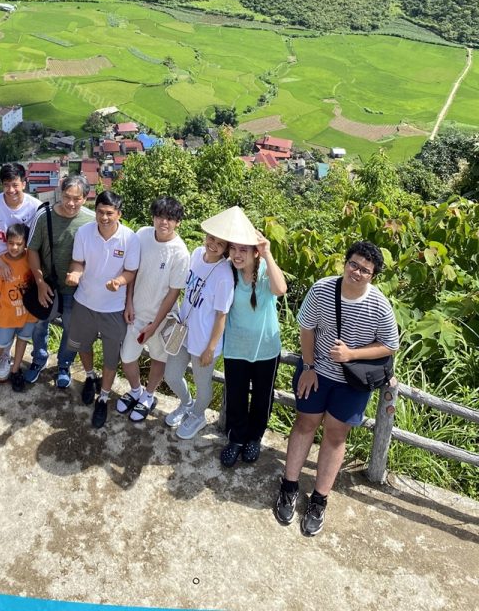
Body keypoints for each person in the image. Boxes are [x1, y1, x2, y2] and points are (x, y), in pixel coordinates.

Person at [274, 240, 399, 536]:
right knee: (304, 424)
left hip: (352, 383)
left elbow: (389, 344)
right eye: (353, 264)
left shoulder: (379, 305)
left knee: (335, 435)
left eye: (365, 270)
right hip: (316, 372)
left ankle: (319, 500)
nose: (357, 272)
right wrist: (308, 366)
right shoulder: (323, 290)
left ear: (373, 275)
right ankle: (289, 486)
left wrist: (352, 354)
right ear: (345, 263)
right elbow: (307, 328)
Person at [218, 208, 287, 467]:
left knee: (261, 397)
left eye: (243, 250)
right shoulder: (227, 272)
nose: (237, 255)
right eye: (233, 249)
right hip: (236, 347)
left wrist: (267, 253)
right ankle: (236, 438)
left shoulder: (265, 271)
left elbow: (281, 289)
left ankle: (254, 438)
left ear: (254, 251)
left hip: (266, 348)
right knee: (235, 395)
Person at [66, 191, 140, 428]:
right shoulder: (84, 232)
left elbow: (131, 271)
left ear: (119, 214)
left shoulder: (130, 239)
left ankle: (104, 396)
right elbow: (78, 261)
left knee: (110, 357)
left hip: (113, 309)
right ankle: (89, 377)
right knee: (83, 345)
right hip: (84, 302)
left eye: (110, 213)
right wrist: (76, 273)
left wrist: (119, 281)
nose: (104, 217)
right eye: (100, 212)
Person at [114, 196, 189, 424]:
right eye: (159, 216)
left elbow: (173, 293)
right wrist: (128, 303)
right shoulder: (143, 234)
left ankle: (148, 395)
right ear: (153, 217)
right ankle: (135, 390)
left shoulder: (180, 252)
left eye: (169, 218)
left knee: (159, 358)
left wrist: (154, 325)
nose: (163, 222)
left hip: (163, 317)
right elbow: (132, 271)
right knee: (127, 357)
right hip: (136, 312)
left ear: (177, 222)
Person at [163, 214, 235, 441]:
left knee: (203, 384)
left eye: (220, 243)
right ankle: (186, 404)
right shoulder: (196, 254)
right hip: (182, 330)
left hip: (204, 339)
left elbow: (222, 315)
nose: (213, 244)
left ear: (225, 249)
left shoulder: (224, 275)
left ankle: (197, 415)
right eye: (211, 238)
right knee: (171, 375)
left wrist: (210, 348)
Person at [24, 174, 95, 386]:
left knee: (71, 328)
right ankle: (39, 359)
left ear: (85, 198)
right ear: (60, 193)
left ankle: (64, 364)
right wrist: (39, 282)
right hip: (46, 284)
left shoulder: (91, 220)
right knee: (39, 325)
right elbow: (32, 250)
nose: (71, 203)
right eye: (66, 197)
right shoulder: (44, 216)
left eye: (77, 198)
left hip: (76, 289)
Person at [0, 163, 41, 366]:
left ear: (24, 183)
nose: (11, 190)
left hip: (22, 271)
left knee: (16, 315)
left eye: (15, 184)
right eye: (6, 185)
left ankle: (4, 352)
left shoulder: (34, 207)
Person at [0, 223, 35, 392]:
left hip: (28, 312)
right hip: (7, 313)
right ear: (6, 242)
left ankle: (15, 369)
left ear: (25, 243)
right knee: (0, 342)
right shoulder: (1, 262)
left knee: (23, 339)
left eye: (19, 244)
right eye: (11, 243)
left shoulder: (30, 259)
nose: (14, 247)